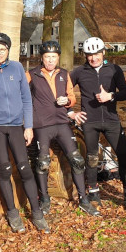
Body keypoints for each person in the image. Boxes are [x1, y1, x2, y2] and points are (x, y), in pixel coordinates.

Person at [0, 32, 50, 233]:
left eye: (2, 49)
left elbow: (26, 98)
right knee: (4, 169)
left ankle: (36, 211)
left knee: (25, 168)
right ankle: (13, 213)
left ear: (8, 50)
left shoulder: (17, 68)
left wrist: (28, 126)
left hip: (16, 124)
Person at [26, 40, 99, 217]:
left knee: (77, 160)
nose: (50, 60)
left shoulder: (64, 74)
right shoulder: (31, 75)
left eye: (53, 57)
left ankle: (83, 199)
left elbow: (71, 96)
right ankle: (44, 199)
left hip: (61, 122)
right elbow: (24, 99)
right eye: (47, 57)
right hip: (42, 124)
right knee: (43, 162)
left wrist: (67, 102)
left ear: (58, 57)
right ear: (41, 58)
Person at [70, 37, 126, 214]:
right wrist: (71, 112)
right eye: (89, 55)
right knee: (92, 157)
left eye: (96, 54)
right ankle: (93, 192)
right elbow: (64, 91)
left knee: (124, 156)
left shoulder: (114, 69)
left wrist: (111, 96)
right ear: (85, 56)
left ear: (103, 53)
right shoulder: (79, 72)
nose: (93, 58)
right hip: (90, 121)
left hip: (111, 120)